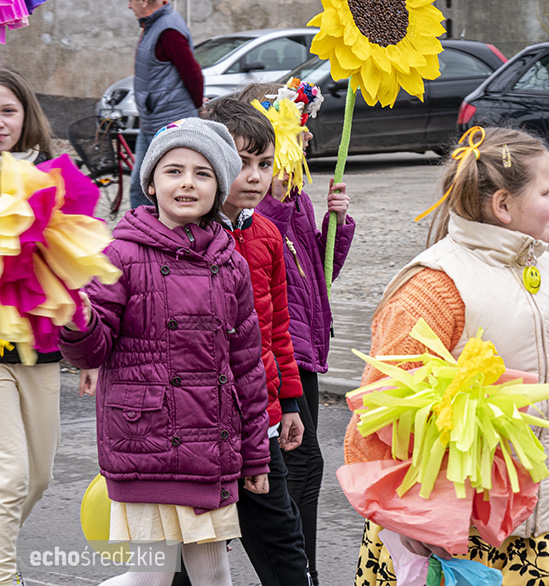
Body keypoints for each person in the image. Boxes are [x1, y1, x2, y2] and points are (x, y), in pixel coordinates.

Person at [345, 126, 549, 586]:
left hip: (533, 526)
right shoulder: (436, 285)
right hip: (445, 530)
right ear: (503, 206)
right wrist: (409, 519)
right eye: (546, 192)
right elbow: (378, 410)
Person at [59, 117, 270, 586]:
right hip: (146, 442)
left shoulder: (230, 261)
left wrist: (255, 457)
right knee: (150, 578)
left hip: (211, 448)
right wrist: (75, 312)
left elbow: (247, 365)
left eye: (203, 173)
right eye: (173, 171)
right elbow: (90, 349)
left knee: (214, 575)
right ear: (151, 183)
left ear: (219, 188)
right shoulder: (118, 254)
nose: (188, 184)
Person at [243, 82, 355, 586]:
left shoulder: (297, 201)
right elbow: (263, 266)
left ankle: (299, 564)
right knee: (299, 462)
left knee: (306, 464)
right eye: (293, 134)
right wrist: (282, 202)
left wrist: (338, 224)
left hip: (305, 346)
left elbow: (315, 271)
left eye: (302, 135)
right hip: (283, 350)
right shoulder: (260, 207)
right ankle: (298, 567)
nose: (301, 146)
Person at [199, 97, 311, 585]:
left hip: (259, 422)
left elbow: (277, 328)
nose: (254, 176)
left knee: (282, 543)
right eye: (241, 163)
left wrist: (289, 402)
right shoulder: (188, 236)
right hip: (201, 425)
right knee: (196, 554)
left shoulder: (265, 233)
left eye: (264, 164)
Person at [0, 65, 57, 586]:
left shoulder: (52, 177)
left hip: (40, 349)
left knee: (39, 476)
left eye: (7, 111)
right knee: (10, 478)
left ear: (25, 117)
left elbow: (76, 269)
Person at [127, 0, 203, 209]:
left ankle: (151, 235)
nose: (128, 6)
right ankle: (141, 236)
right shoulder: (154, 25)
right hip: (152, 120)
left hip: (169, 121)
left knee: (159, 187)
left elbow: (192, 71)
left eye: (131, 0)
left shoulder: (167, 29)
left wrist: (197, 105)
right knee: (142, 186)